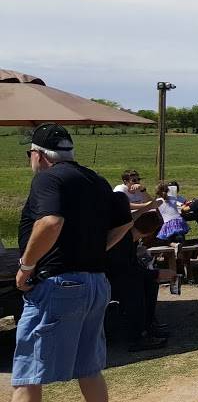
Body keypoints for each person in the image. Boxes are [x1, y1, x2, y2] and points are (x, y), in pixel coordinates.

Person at [14, 123, 133, 401]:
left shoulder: (49, 179)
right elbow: (125, 222)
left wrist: (26, 267)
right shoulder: (96, 180)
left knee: (28, 372)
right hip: (95, 284)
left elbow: (50, 222)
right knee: (88, 368)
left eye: (29, 153)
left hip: (57, 284)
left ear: (39, 155)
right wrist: (95, 248)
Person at [106, 209, 167, 352]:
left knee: (150, 283)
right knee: (135, 289)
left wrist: (153, 274)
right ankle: (137, 336)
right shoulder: (122, 241)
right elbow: (127, 270)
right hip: (112, 280)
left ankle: (148, 325)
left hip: (120, 277)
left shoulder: (130, 240)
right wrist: (156, 273)